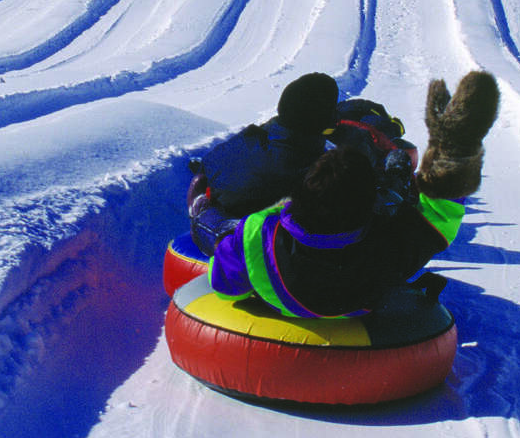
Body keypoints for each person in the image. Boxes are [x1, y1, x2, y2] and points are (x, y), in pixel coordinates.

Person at [207, 72, 500, 317]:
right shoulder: (390, 246)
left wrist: (275, 213)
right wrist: (455, 151)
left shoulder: (256, 234)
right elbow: (437, 216)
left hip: (285, 304)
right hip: (359, 311)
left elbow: (223, 285)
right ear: (367, 206)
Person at [188, 72, 340, 254]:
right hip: (270, 246)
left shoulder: (245, 141)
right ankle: (210, 219)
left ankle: (204, 211)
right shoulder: (315, 168)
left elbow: (208, 165)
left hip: (231, 211)